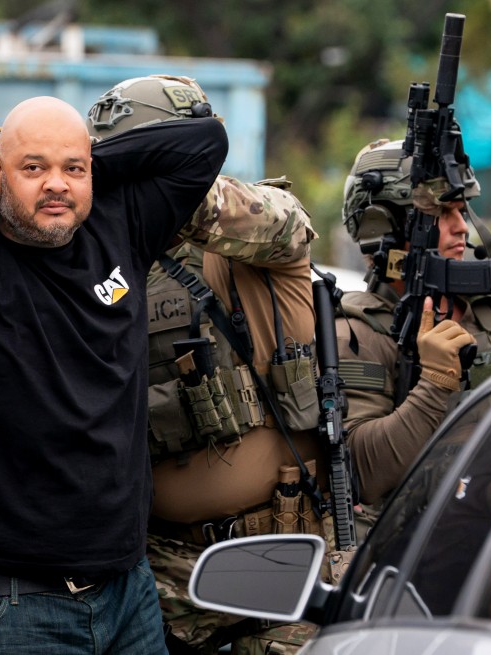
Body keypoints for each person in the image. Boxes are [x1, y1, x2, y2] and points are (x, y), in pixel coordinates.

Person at [0, 95, 227, 654]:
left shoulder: (121, 227)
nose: (55, 185)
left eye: (72, 170)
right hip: (9, 604)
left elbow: (205, 141)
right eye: (33, 168)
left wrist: (81, 163)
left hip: (128, 591)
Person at [88, 75, 326, 655]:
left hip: (291, 561)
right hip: (164, 580)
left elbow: (282, 223)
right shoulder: (103, 261)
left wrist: (152, 182)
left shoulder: (256, 229)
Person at [336, 138, 491, 505]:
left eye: (462, 211)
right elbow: (362, 470)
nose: (461, 227)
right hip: (413, 547)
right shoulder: (356, 334)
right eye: (443, 214)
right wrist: (434, 384)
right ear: (383, 227)